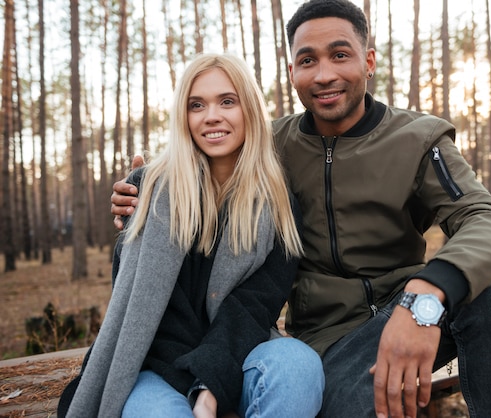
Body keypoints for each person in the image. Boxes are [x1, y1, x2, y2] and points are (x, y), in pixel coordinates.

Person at [112, 1, 491, 417]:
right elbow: (200, 167)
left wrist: (425, 294)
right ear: (293, 72)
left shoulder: (418, 139)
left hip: (408, 308)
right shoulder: (267, 146)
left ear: (369, 61)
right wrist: (143, 190)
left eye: (340, 55)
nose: (324, 74)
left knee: (487, 294)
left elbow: (489, 220)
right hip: (327, 343)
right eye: (308, 60)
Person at [60, 53, 324, 418]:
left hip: (239, 353)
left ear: (249, 108)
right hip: (155, 364)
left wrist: (211, 383)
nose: (211, 116)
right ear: (183, 117)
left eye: (227, 101)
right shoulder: (147, 191)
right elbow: (142, 306)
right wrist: (195, 382)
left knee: (298, 367)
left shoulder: (278, 207)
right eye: (196, 105)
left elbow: (252, 309)